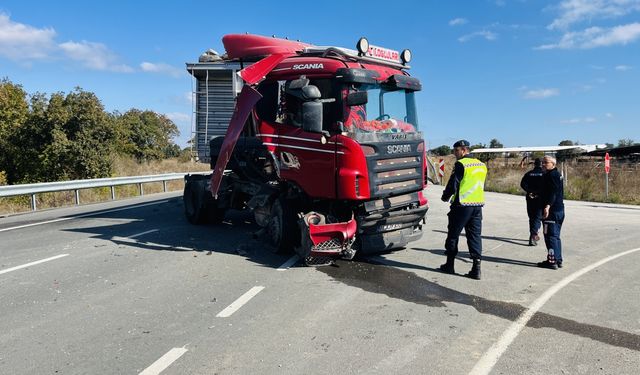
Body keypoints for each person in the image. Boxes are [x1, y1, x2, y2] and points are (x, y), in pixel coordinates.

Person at [439, 140, 488, 280]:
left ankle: (449, 264)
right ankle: (476, 269)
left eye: (456, 151)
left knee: (453, 235)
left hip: (462, 205)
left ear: (463, 150)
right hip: (477, 205)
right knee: (475, 236)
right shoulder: (481, 165)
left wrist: (445, 196)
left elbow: (454, 182)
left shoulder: (461, 164)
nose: (455, 154)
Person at [538, 155, 565, 270]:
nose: (543, 164)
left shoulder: (552, 175)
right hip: (559, 210)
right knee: (555, 236)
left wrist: (547, 206)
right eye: (543, 162)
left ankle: (552, 261)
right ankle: (557, 259)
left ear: (553, 164)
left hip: (552, 211)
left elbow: (553, 192)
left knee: (550, 236)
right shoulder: (556, 174)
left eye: (546, 162)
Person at [520, 158, 544, 246]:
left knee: (532, 217)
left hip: (530, 198)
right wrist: (538, 193)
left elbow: (522, 184)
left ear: (534, 164)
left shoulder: (529, 173)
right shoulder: (545, 174)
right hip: (540, 198)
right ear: (542, 164)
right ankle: (533, 235)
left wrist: (530, 191)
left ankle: (532, 234)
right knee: (538, 217)